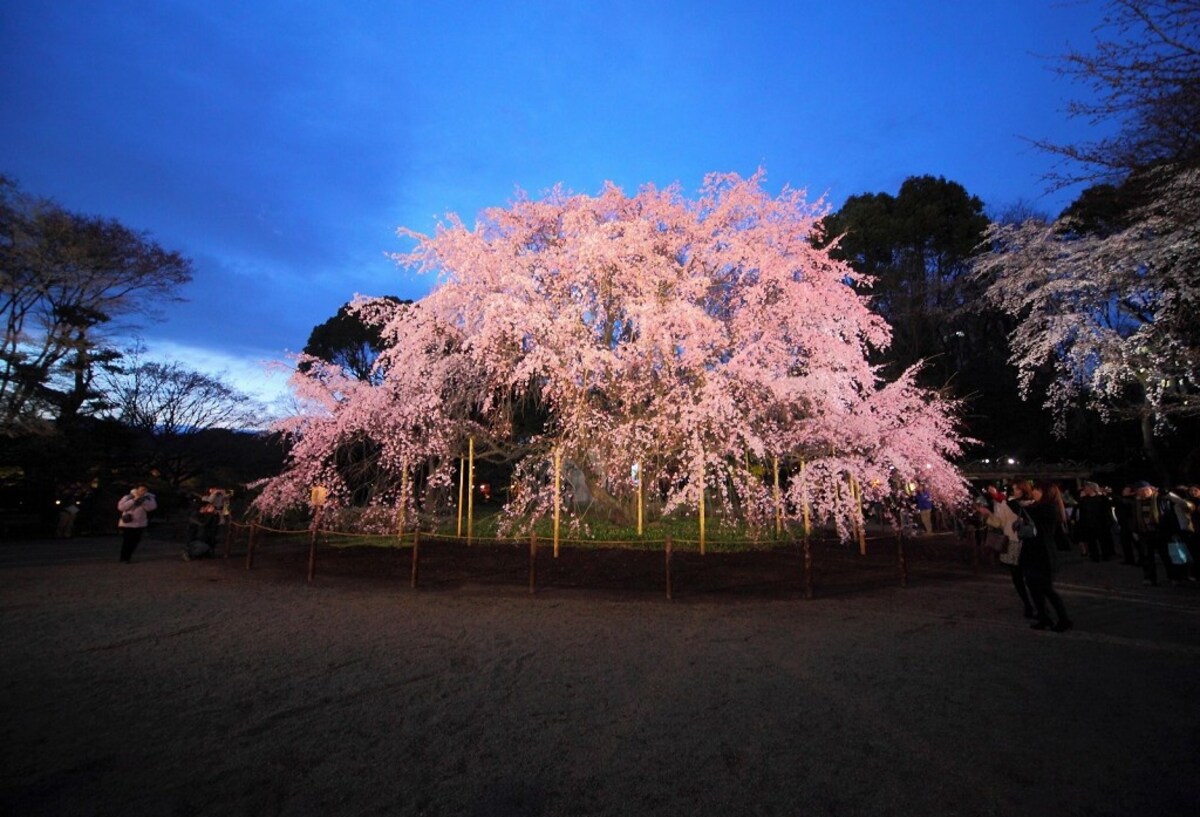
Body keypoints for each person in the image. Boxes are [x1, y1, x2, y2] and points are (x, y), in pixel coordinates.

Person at [1021, 482, 1073, 632]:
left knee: (1047, 589)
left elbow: (1031, 515)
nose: (1034, 492)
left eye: (1037, 490)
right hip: (1032, 552)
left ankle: (1064, 619)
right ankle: (1044, 618)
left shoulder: (1048, 508)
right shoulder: (1037, 507)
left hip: (1043, 553)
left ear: (1046, 492)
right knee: (1034, 588)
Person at [977, 486, 1034, 619]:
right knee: (1023, 577)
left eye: (1017, 488)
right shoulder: (1011, 504)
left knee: (1024, 577)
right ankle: (1031, 605)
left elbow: (1000, 523)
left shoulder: (1014, 504)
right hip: (1021, 542)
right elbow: (999, 523)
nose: (1015, 490)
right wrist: (989, 513)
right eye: (1014, 488)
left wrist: (990, 512)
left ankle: (1033, 605)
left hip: (1020, 542)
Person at [1121, 481, 1182, 586]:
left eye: (1145, 490)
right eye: (1140, 491)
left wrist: (1173, 531)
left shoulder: (1160, 499)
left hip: (1161, 532)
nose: (1143, 493)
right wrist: (1135, 530)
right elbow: (1132, 516)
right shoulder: (1136, 502)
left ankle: (1173, 577)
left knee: (1166, 556)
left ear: (1151, 489)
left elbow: (1171, 513)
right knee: (1146, 557)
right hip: (1144, 532)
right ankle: (1149, 578)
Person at [1075, 481, 1115, 561]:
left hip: (1100, 523)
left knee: (1103, 541)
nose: (1084, 490)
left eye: (1086, 488)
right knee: (1091, 542)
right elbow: (1081, 511)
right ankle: (1095, 556)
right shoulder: (1084, 500)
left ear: (1091, 489)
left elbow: (1107, 509)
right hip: (1089, 524)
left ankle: (1106, 555)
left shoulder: (1102, 499)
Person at [117, 484, 157, 563]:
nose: (143, 491)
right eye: (141, 489)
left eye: (144, 490)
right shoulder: (128, 496)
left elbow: (151, 508)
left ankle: (128, 557)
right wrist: (134, 500)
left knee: (135, 541)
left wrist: (143, 500)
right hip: (127, 523)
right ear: (137, 489)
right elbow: (121, 507)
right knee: (127, 541)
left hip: (140, 523)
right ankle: (124, 558)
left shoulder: (149, 497)